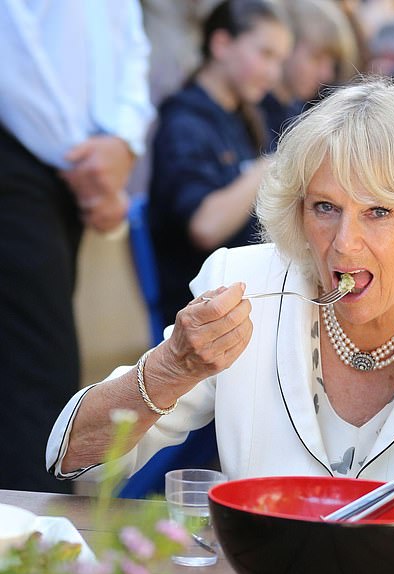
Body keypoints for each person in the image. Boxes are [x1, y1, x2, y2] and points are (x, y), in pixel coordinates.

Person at [47, 78, 394, 532]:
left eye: (378, 211)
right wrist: (172, 368)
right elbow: (76, 461)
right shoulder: (245, 284)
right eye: (324, 207)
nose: (343, 243)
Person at [0, 0, 154, 493]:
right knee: (36, 374)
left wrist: (123, 143)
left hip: (74, 167)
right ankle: (38, 556)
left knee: (36, 370)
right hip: (25, 155)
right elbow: (13, 50)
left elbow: (130, 44)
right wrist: (90, 168)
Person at [149, 0, 292, 326]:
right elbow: (205, 226)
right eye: (265, 54)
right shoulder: (184, 123)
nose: (274, 72)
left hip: (246, 296)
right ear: (221, 44)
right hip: (202, 311)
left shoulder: (245, 114)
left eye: (280, 60)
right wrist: (267, 168)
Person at [260, 0, 359, 147]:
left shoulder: (301, 116)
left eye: (332, 63)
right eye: (316, 58)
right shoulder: (251, 115)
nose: (326, 75)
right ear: (286, 46)